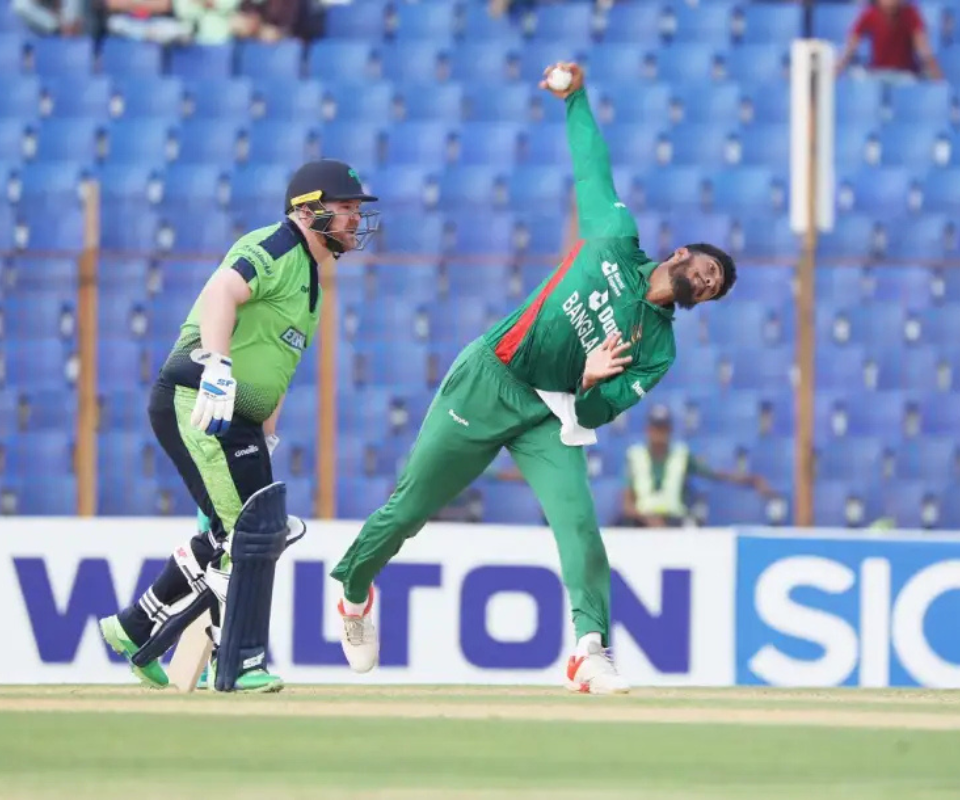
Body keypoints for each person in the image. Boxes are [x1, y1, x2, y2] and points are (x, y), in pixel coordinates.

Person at [330, 61, 737, 695]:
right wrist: (576, 98)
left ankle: (589, 651)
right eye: (708, 270)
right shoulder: (613, 238)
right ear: (681, 254)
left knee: (579, 527)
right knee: (410, 509)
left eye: (713, 290)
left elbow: (598, 412)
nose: (707, 284)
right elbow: (591, 167)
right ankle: (354, 592)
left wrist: (591, 381)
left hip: (553, 412)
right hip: (490, 378)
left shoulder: (659, 349)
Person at [98, 159, 378, 693]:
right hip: (199, 397)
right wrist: (217, 368)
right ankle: (238, 663)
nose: (354, 220)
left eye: (355, 210)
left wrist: (267, 433)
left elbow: (278, 367)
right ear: (307, 211)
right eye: (344, 208)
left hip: (242, 417)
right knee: (253, 533)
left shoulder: (312, 279)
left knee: (238, 533)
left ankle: (134, 628)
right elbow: (222, 292)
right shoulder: (276, 245)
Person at [620, 405, 774, 528]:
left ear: (670, 430)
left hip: (674, 521)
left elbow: (715, 474)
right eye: (656, 428)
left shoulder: (681, 455)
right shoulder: (634, 456)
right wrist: (648, 519)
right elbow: (627, 504)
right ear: (648, 430)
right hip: (641, 522)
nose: (659, 434)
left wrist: (753, 479)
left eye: (663, 429)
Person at [836, 0, 943, 82]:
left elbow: (924, 50)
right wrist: (836, 71)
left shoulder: (911, 14)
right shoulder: (869, 14)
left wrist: (939, 80)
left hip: (906, 76)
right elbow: (850, 47)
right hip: (877, 75)